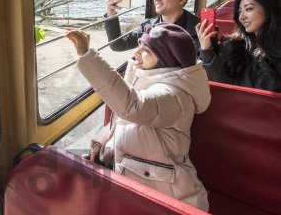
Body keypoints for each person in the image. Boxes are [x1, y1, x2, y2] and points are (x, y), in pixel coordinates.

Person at [65, 23, 210, 212]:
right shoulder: (148, 81)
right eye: (139, 45)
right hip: (137, 182)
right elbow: (121, 122)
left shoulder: (175, 96)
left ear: (165, 59)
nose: (137, 53)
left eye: (146, 49)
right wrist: (99, 142)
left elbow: (132, 108)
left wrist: (87, 55)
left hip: (168, 194)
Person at [196, 0, 281, 92]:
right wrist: (206, 49)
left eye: (249, 9)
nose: (241, 17)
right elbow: (222, 85)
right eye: (240, 12)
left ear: (272, 10)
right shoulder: (237, 46)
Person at [105, 0, 202, 53]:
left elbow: (209, 71)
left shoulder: (200, 29)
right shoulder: (148, 26)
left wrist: (206, 49)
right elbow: (118, 45)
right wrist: (111, 13)